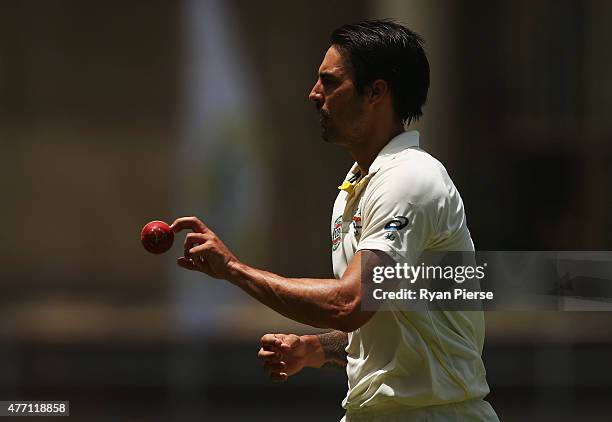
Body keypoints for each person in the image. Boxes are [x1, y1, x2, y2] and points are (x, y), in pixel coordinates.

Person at [171, 19, 499, 422]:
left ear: (377, 91)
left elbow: (352, 303)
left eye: (330, 82)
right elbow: (393, 316)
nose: (314, 94)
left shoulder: (411, 177)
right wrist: (317, 348)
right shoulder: (357, 185)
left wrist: (235, 270)